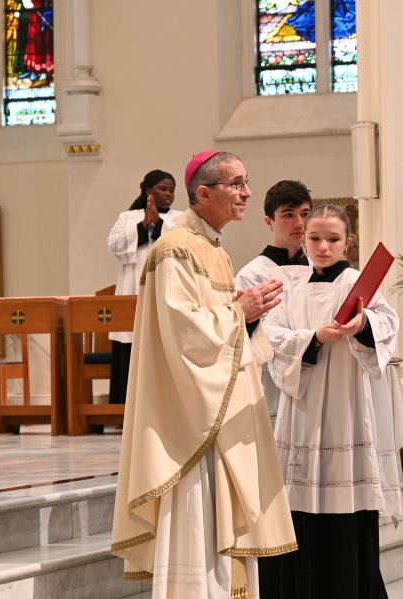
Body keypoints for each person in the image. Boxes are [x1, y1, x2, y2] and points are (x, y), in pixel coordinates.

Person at [110, 151, 297, 599]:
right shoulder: (175, 248)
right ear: (205, 193)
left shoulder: (213, 248)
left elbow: (218, 328)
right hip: (193, 423)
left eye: (246, 182)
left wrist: (247, 315)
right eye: (237, 184)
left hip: (220, 414)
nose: (247, 192)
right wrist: (241, 311)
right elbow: (183, 333)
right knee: (198, 526)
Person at [261, 204, 403, 599]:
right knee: (296, 512)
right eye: (315, 238)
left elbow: (387, 326)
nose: (323, 247)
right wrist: (314, 339)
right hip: (301, 411)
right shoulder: (289, 287)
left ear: (348, 242)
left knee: (344, 518)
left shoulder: (358, 283)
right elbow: (271, 338)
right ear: (303, 239)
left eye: (332, 239)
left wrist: (362, 325)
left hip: (345, 408)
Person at [235, 180, 312, 431]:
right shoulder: (253, 275)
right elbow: (253, 338)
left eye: (305, 214)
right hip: (273, 388)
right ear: (269, 221)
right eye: (288, 215)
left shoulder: (320, 269)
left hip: (318, 381)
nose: (299, 223)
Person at [106, 169, 181, 404]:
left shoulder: (179, 219)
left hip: (166, 291)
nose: (169, 194)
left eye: (171, 190)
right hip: (131, 292)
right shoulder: (127, 218)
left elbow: (181, 248)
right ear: (148, 191)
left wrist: (158, 225)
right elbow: (115, 247)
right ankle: (124, 408)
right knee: (130, 343)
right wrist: (142, 226)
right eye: (163, 189)